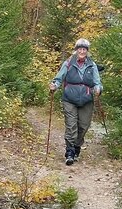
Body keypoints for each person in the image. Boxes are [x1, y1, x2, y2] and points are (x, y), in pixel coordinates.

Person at [50, 38, 103, 166]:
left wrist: (98, 89)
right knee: (71, 125)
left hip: (86, 100)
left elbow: (97, 82)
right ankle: (69, 152)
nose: (82, 51)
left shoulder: (92, 65)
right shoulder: (68, 63)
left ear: (87, 51)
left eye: (84, 49)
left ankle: (77, 147)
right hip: (69, 99)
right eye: (80, 48)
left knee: (83, 126)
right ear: (76, 50)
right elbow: (59, 78)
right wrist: (54, 86)